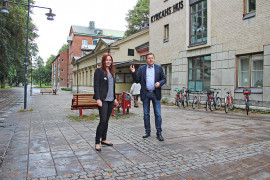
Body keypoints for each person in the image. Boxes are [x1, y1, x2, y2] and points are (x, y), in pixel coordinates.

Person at [130, 53, 166, 141]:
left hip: (155, 93)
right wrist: (133, 72)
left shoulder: (159, 68)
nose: (150, 60)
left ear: (154, 59)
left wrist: (159, 83)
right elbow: (137, 80)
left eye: (152, 58)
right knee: (146, 114)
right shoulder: (142, 69)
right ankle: (147, 131)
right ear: (146, 60)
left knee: (158, 114)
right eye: (149, 58)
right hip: (146, 94)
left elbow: (164, 79)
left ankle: (159, 132)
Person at [93, 53, 118, 151]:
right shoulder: (99, 71)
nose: (108, 61)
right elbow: (96, 86)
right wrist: (98, 99)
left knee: (106, 121)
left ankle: (104, 139)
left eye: (110, 60)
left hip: (111, 100)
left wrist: (115, 98)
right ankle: (97, 142)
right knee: (102, 121)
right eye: (106, 60)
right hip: (103, 100)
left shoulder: (111, 72)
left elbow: (112, 87)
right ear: (103, 61)